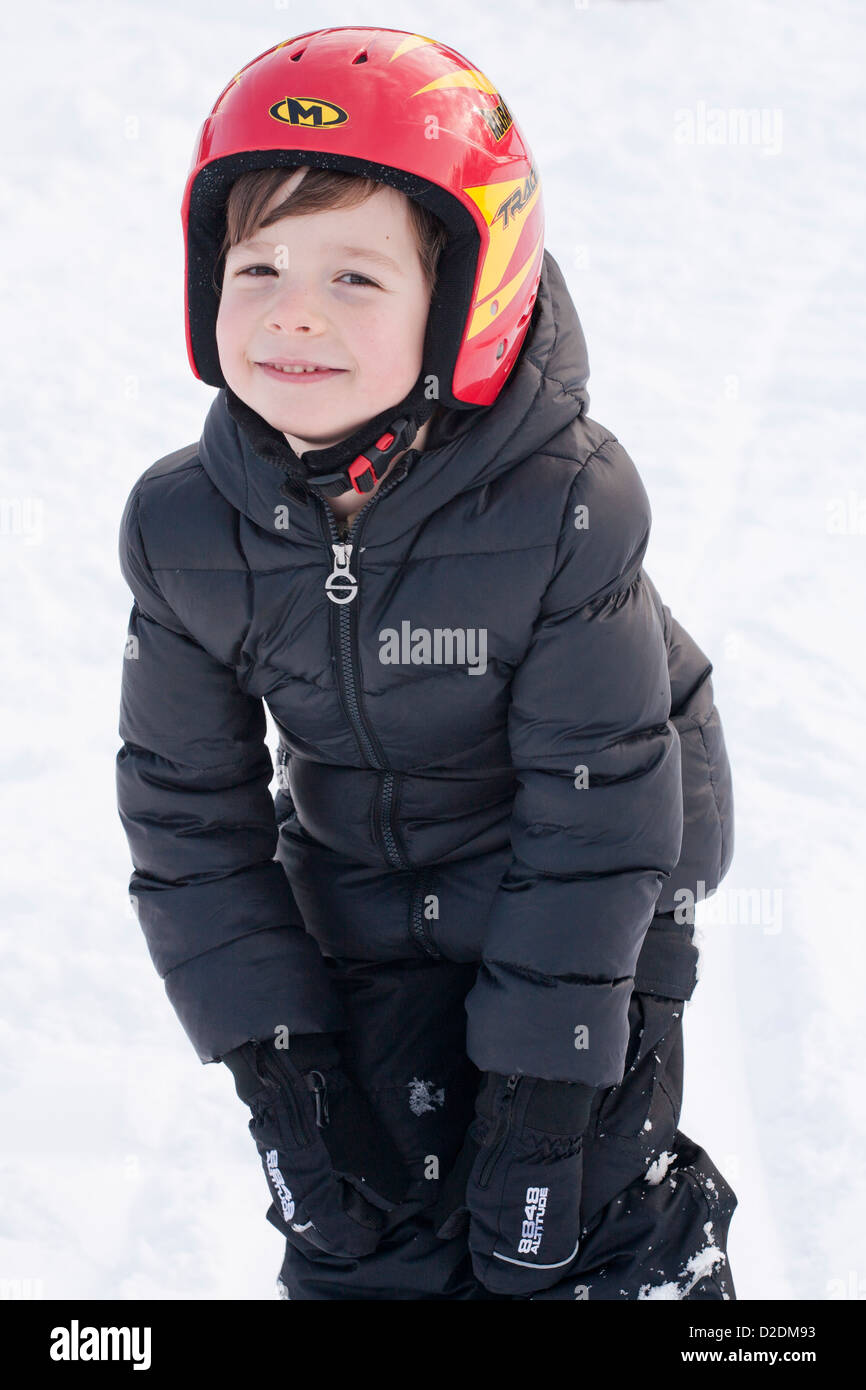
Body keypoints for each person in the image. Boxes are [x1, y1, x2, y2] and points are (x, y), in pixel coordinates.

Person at [116, 26, 738, 1301]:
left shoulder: (563, 505)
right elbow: (187, 814)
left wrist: (547, 1093)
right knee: (365, 1231)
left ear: (465, 302)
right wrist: (278, 1066)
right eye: (257, 264)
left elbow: (597, 813)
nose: (292, 308)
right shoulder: (183, 528)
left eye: (355, 276)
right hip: (369, 893)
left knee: (565, 1229)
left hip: (603, 881)